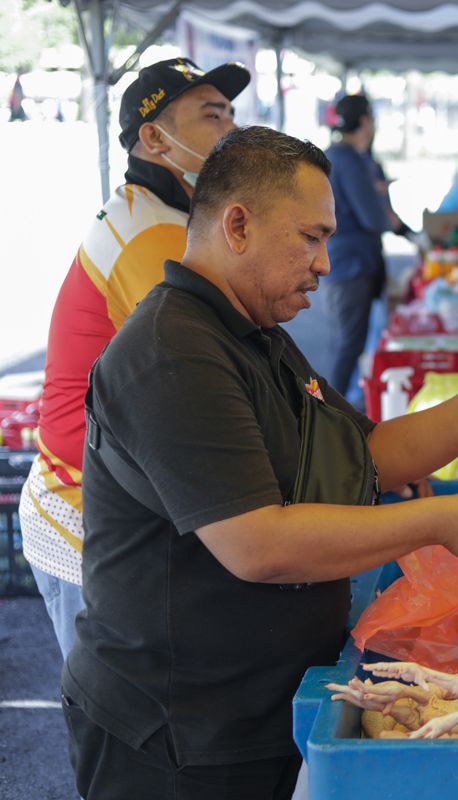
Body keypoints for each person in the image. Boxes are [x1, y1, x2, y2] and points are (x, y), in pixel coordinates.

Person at [61, 125, 458, 798]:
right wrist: (437, 522)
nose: (326, 263)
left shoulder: (256, 333)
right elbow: (256, 543)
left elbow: (364, 456)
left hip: (261, 705)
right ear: (237, 225)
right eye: (311, 237)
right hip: (178, 733)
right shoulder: (172, 352)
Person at [18, 57, 248, 660]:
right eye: (211, 114)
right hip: (83, 507)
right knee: (112, 719)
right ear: (154, 137)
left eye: (230, 113)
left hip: (122, 493)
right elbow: (207, 372)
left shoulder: (173, 218)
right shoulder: (149, 233)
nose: (230, 129)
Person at [323, 93, 417, 401]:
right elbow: (374, 217)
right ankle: (328, 412)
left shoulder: (348, 157)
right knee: (350, 343)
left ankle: (342, 405)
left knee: (355, 340)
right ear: (365, 121)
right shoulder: (347, 160)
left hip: (355, 261)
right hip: (352, 263)